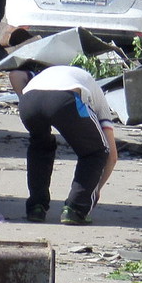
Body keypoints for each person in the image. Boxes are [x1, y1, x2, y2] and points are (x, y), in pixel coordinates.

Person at [14, 65, 118, 225]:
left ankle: (36, 207)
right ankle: (76, 209)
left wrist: (25, 101)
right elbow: (111, 155)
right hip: (65, 100)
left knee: (40, 147)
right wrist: (95, 190)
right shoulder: (97, 94)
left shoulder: (44, 74)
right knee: (96, 151)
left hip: (29, 101)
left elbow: (14, 75)